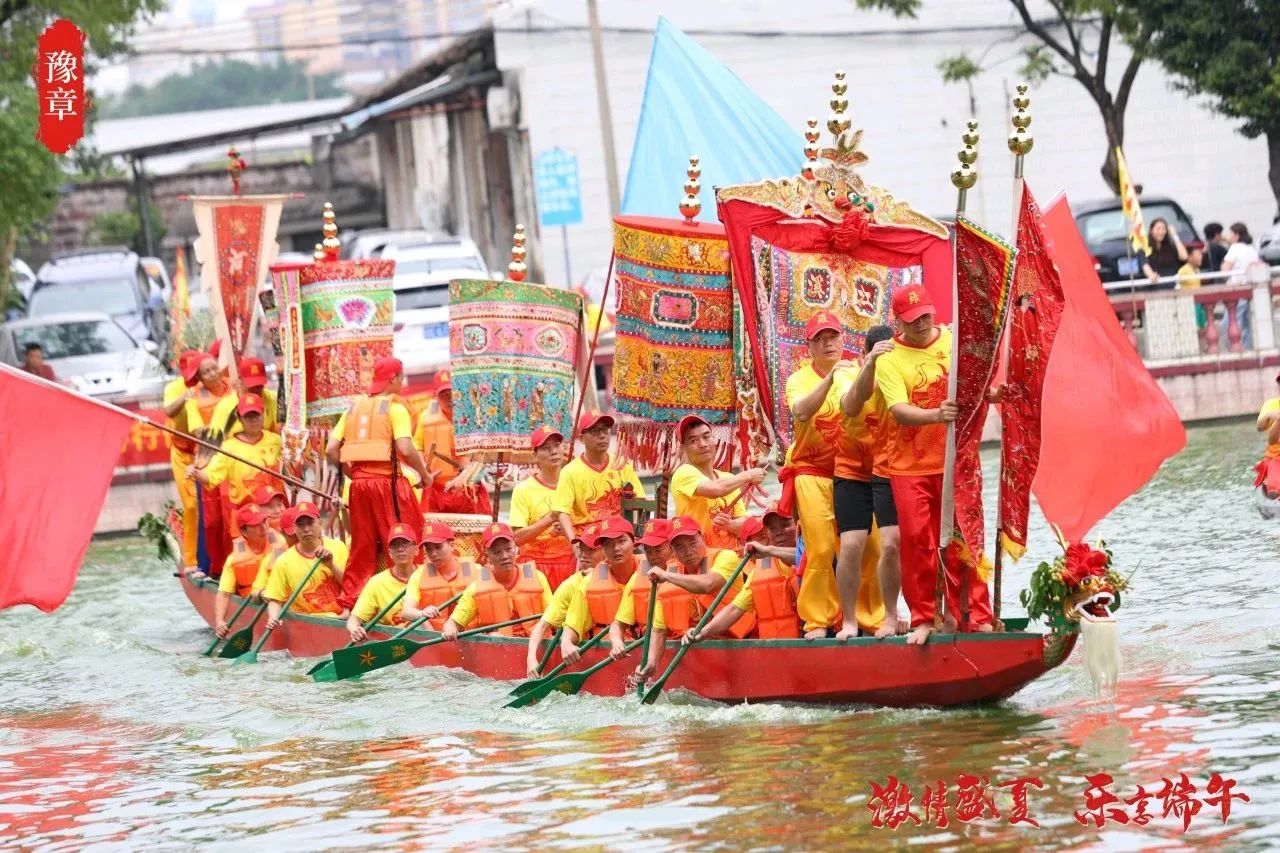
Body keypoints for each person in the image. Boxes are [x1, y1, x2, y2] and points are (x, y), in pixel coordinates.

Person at [876, 284, 991, 645]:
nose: (922, 323)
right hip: (909, 466)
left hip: (955, 461)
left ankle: (975, 615)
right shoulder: (890, 359)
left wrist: (992, 392)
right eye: (913, 320)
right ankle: (924, 617)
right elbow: (899, 410)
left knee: (964, 537)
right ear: (898, 322)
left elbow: (977, 381)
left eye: (926, 315)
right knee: (916, 542)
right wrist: (936, 414)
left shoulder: (954, 342)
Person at [325, 356, 432, 614]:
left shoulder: (353, 407)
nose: (403, 382)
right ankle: (413, 601)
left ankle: (350, 606)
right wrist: (425, 474)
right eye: (402, 377)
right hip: (388, 485)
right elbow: (405, 447)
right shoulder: (396, 408)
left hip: (359, 487)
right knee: (407, 537)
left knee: (361, 547)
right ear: (393, 378)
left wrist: (355, 474)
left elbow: (330, 450)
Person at [780, 309, 854, 639]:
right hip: (812, 469)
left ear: (843, 340)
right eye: (819, 340)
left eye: (833, 337)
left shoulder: (857, 371)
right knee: (821, 547)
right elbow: (801, 410)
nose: (828, 344)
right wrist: (831, 379)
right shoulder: (798, 379)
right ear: (809, 348)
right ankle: (817, 620)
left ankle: (867, 615)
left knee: (870, 545)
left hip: (853, 470)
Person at [837, 323, 902, 639]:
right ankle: (848, 620)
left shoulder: (899, 370)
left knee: (893, 544)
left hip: (887, 469)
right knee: (851, 546)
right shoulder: (846, 373)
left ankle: (892, 616)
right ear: (861, 354)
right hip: (850, 471)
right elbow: (852, 404)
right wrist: (873, 362)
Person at [189, 393, 283, 553]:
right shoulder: (228, 448)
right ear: (239, 418)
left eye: (257, 415)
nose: (254, 420)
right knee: (245, 563)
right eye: (248, 416)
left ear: (264, 414)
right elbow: (211, 477)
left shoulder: (277, 440)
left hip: (274, 517)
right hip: (246, 520)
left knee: (278, 556)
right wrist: (196, 474)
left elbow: (292, 468)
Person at [682, 515, 800, 644]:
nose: (778, 533)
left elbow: (808, 556)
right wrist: (703, 631)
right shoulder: (761, 571)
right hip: (777, 643)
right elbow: (736, 608)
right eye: (771, 529)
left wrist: (770, 550)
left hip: (812, 637)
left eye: (786, 525)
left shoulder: (817, 555)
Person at [553, 516, 644, 669]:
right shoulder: (589, 583)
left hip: (646, 645)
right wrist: (567, 643)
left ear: (634, 542)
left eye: (622, 541)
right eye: (608, 544)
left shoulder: (654, 573)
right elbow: (572, 625)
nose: (616, 549)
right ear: (602, 549)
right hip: (608, 653)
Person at [440, 523, 552, 640]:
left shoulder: (538, 578)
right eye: (497, 552)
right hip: (499, 650)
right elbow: (452, 623)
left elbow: (555, 616)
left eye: (508, 549)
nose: (504, 556)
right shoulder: (476, 588)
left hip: (537, 648)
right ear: (487, 554)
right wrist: (450, 630)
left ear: (515, 548)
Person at [669, 414, 764, 550]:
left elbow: (743, 524)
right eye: (693, 441)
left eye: (706, 437)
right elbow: (714, 490)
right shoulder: (683, 473)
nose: (702, 444)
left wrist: (728, 525)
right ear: (683, 448)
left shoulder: (727, 478)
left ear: (714, 440)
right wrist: (747, 475)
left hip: (731, 556)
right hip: (698, 558)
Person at [552, 411, 647, 543]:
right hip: (588, 539)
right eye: (595, 431)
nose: (602, 436)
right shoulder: (569, 472)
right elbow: (562, 513)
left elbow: (641, 502)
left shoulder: (622, 464)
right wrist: (574, 543)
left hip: (619, 535)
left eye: (605, 430)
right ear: (581, 438)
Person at [414, 370, 492, 514]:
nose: (449, 399)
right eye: (444, 395)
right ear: (436, 396)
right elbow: (417, 445)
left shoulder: (473, 416)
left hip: (467, 486)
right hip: (436, 488)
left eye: (452, 393)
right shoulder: (425, 418)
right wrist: (423, 467)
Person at [509, 425, 576, 590]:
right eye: (546, 448)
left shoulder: (576, 481)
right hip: (536, 566)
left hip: (573, 561)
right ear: (535, 456)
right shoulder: (523, 490)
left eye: (557, 446)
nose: (553, 451)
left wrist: (570, 529)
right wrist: (551, 518)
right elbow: (517, 538)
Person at [263, 502, 348, 625]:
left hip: (340, 620)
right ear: (294, 528)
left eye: (310, 523)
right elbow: (275, 600)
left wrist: (331, 565)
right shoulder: (283, 561)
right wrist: (273, 617)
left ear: (320, 523)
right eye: (300, 525)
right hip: (306, 623)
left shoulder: (339, 547)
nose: (306, 529)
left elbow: (350, 587)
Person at [162, 350, 206, 570]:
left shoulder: (207, 384)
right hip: (182, 453)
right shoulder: (174, 388)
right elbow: (169, 411)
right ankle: (191, 560)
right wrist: (185, 396)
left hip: (206, 453)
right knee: (190, 505)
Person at [213, 504, 279, 638]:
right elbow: (224, 594)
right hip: (254, 603)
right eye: (256, 524)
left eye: (264, 521)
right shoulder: (233, 560)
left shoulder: (280, 546)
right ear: (244, 531)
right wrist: (220, 621)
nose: (264, 527)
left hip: (281, 601)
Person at [346, 523, 417, 642]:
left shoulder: (426, 574)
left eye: (405, 544)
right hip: (391, 642)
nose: (400, 549)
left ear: (416, 549)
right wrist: (355, 630)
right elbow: (353, 620)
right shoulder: (376, 582)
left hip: (422, 638)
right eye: (395, 545)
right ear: (390, 553)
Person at [401, 521, 472, 628]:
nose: (433, 554)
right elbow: (406, 612)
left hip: (471, 637)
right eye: (429, 549)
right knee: (417, 623)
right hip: (433, 637)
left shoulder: (475, 570)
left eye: (438, 547)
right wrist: (422, 614)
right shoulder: (418, 575)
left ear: (451, 546)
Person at [208, 357, 279, 436]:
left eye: (260, 384)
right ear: (240, 380)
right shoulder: (225, 407)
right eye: (252, 385)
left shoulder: (273, 399)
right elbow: (212, 440)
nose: (257, 389)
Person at [1222, 222, 1262, 349]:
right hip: (1249, 291)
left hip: (1236, 291)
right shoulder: (1252, 249)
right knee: (1246, 325)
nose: (1229, 237)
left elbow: (1225, 271)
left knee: (1229, 323)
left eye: (1231, 234)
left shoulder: (1234, 248)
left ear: (1237, 235)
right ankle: (1248, 349)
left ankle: (1235, 350)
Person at [1177, 247, 1208, 347]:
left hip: (1199, 304)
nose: (1201, 257)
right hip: (1190, 304)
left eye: (1201, 255)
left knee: (1202, 328)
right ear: (1190, 257)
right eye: (1198, 255)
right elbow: (1176, 285)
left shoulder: (1197, 270)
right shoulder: (1183, 270)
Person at [1255, 375, 1280, 497]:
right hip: (1276, 457)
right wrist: (1270, 415)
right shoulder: (1271, 404)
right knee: (1274, 487)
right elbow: (1260, 427)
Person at [1142, 218, 1188, 283]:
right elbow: (1144, 265)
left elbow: (1184, 257)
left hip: (1172, 285)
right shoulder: (1144, 247)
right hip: (1156, 285)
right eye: (1158, 229)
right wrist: (1151, 275)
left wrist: (1174, 235)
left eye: (1163, 229)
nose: (1161, 232)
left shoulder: (1170, 247)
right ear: (1151, 230)